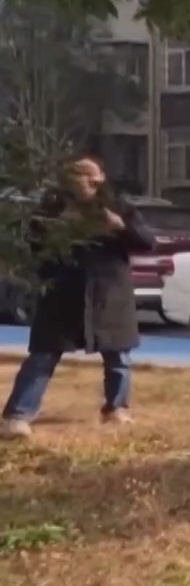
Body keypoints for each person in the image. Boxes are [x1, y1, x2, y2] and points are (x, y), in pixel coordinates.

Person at [2, 155, 154, 437]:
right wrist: (57, 227)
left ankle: (116, 409)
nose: (84, 182)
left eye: (90, 177)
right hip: (62, 293)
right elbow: (34, 244)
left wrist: (121, 227)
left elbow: (147, 242)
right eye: (78, 175)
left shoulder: (118, 207)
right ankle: (17, 415)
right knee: (43, 356)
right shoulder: (52, 207)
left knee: (118, 357)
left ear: (100, 179)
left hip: (108, 293)